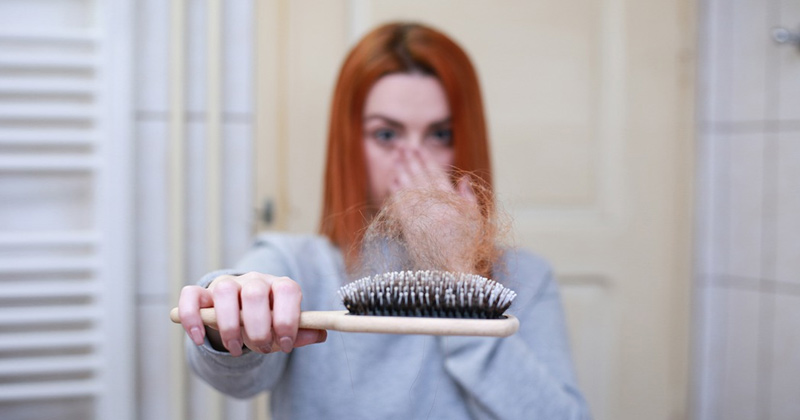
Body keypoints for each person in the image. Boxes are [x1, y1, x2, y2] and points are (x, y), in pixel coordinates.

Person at [178, 22, 591, 419]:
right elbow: (233, 374)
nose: (416, 160)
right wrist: (230, 316)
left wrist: (460, 277)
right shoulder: (297, 264)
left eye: (440, 134)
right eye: (387, 135)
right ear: (350, 142)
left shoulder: (527, 280)